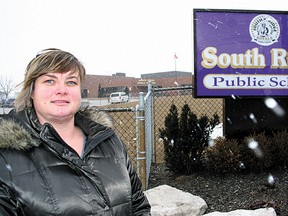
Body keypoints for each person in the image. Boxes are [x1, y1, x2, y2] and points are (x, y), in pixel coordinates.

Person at [0, 48, 151, 215]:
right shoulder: (5, 158)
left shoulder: (108, 140)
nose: (62, 90)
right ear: (32, 92)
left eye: (71, 82)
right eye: (50, 81)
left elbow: (138, 204)